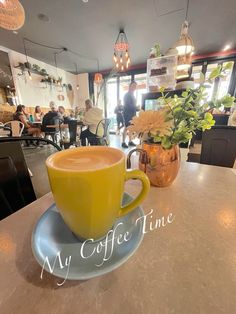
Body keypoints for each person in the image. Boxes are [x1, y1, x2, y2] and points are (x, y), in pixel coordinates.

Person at [122, 81, 138, 148]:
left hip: (132, 114)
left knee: (131, 128)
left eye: (135, 86)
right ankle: (123, 142)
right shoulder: (127, 95)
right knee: (126, 128)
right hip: (127, 114)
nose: (134, 87)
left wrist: (136, 108)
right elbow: (127, 105)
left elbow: (132, 105)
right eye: (133, 86)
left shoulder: (132, 95)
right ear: (130, 86)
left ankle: (130, 141)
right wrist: (136, 107)